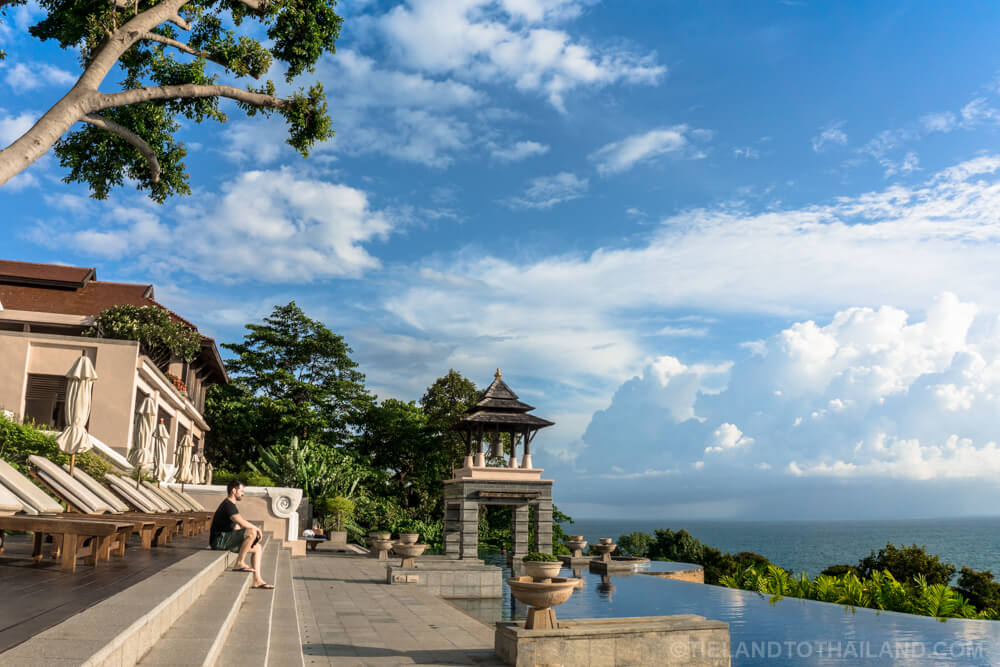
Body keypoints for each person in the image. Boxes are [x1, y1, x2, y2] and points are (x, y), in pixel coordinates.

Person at [209, 480, 272, 589]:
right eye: (241, 491)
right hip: (218, 540)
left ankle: (257, 580)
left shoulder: (231, 505)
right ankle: (239, 563)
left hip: (225, 539)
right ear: (233, 490)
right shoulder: (228, 505)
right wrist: (256, 529)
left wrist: (246, 539)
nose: (243, 493)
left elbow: (237, 526)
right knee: (251, 531)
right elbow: (241, 522)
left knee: (257, 548)